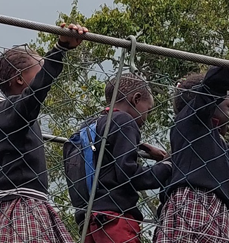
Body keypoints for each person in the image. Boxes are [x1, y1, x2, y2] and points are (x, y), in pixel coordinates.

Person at [0, 23, 88, 243]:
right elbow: (37, 92)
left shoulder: (18, 114)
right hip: (19, 206)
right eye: (39, 71)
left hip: (30, 201)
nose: (43, 76)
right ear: (19, 79)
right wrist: (60, 49)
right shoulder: (10, 110)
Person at [66, 73, 171, 242]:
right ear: (136, 99)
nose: (146, 118)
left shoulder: (93, 123)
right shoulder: (125, 121)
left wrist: (140, 145)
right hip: (115, 219)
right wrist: (166, 166)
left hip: (90, 220)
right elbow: (128, 175)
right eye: (148, 109)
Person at [155, 66, 229, 242]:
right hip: (193, 202)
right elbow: (215, 81)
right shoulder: (191, 120)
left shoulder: (220, 144)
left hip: (220, 212)